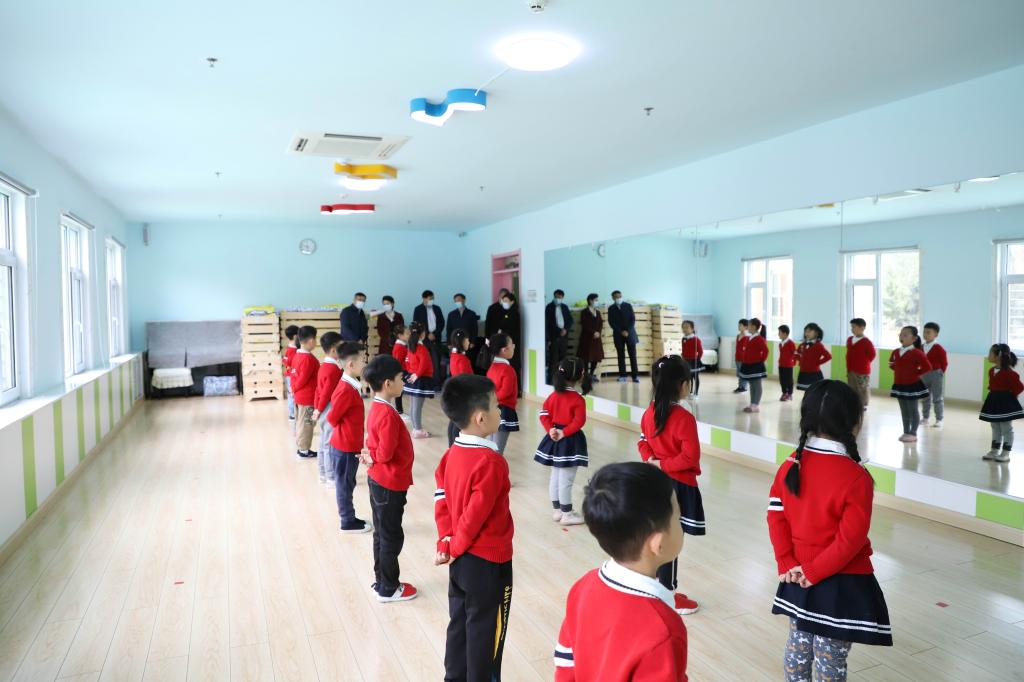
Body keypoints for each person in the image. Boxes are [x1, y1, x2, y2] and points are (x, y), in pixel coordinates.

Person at [767, 380, 893, 682]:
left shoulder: (790, 465)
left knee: (798, 645)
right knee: (830, 657)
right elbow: (851, 540)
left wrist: (786, 562)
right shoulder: (856, 477)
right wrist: (813, 571)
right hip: (838, 583)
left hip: (797, 576)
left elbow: (775, 516)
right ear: (854, 422)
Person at [554, 463, 688, 681]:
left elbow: (566, 661)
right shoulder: (664, 630)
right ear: (658, 544)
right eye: (679, 518)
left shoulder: (583, 586)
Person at [434, 374, 514, 682]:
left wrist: (446, 542)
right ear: (481, 418)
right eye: (496, 405)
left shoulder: (450, 454)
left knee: (459, 622)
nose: (500, 410)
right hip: (488, 563)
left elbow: (442, 502)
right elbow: (474, 515)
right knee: (487, 632)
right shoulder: (491, 462)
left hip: (460, 561)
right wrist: (455, 547)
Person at [638, 355, 702, 616]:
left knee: (659, 538)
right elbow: (690, 457)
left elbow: (642, 442)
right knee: (672, 541)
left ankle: (658, 588)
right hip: (679, 485)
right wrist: (663, 464)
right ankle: (668, 594)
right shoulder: (684, 418)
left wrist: (652, 461)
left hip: (657, 483)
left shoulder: (649, 412)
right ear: (683, 385)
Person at [361, 354, 418, 602]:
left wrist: (370, 455)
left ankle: (382, 581)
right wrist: (372, 456)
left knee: (381, 533)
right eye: (400, 378)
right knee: (391, 536)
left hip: (379, 480)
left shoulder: (377, 407)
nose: (403, 382)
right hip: (389, 483)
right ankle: (389, 588)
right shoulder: (387, 414)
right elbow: (384, 453)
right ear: (387, 383)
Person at [535, 357, 592, 525]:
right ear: (581, 375)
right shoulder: (578, 399)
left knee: (555, 476)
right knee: (566, 480)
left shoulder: (553, 396)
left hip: (554, 439)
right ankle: (567, 514)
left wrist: (551, 430)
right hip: (570, 441)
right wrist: (564, 432)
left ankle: (558, 511)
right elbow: (579, 421)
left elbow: (543, 414)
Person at [326, 342, 370, 533]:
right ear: (351, 364)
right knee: (344, 485)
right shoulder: (345, 389)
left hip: (349, 445)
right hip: (344, 447)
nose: (365, 363)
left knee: (348, 482)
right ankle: (347, 521)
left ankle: (349, 516)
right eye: (363, 360)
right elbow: (332, 418)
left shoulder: (351, 385)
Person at [980, 343, 1023, 462]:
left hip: (1005, 404)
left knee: (1006, 428)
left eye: (990, 353)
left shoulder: (1010, 373)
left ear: (998, 356)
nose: (988, 355)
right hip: (994, 401)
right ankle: (994, 450)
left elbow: (1019, 387)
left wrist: (1009, 398)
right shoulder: (991, 371)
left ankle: (1005, 453)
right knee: (995, 426)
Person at [888, 326, 931, 443]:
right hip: (899, 385)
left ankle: (913, 433)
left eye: (905, 335)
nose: (902, 336)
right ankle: (906, 431)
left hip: (912, 385)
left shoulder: (917, 353)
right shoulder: (896, 352)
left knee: (913, 410)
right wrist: (899, 371)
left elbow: (927, 367)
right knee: (904, 410)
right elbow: (891, 364)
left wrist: (915, 374)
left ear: (914, 338)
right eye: (901, 334)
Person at [312, 332, 343, 485]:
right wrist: (319, 409)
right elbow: (326, 393)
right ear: (333, 350)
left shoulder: (324, 366)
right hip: (329, 407)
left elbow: (318, 391)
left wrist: (317, 408)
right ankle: (331, 476)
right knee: (329, 443)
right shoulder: (333, 370)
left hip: (323, 407)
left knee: (324, 441)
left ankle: (323, 473)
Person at [482, 332, 519, 455]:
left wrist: (490, 402)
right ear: (504, 350)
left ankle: (489, 463)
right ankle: (493, 466)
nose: (514, 346)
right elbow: (506, 392)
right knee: (498, 449)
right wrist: (495, 401)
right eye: (511, 344)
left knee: (492, 445)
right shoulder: (508, 370)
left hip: (492, 408)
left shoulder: (492, 367)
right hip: (503, 411)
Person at [290, 326, 320, 459]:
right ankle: (303, 450)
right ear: (311, 340)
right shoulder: (308, 358)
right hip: (307, 398)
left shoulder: (297, 355)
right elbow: (303, 379)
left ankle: (302, 448)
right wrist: (295, 388)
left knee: (301, 423)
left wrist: (293, 389)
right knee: (307, 425)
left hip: (299, 397)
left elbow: (294, 375)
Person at [402, 321, 436, 439]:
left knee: (413, 405)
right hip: (420, 380)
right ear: (423, 334)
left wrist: (411, 372)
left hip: (413, 378)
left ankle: (415, 428)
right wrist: (417, 374)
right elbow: (424, 363)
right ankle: (417, 430)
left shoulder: (411, 347)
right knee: (417, 406)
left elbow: (406, 361)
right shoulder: (421, 348)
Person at [447, 329, 474, 446]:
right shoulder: (462, 359)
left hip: (456, 393)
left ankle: (451, 447)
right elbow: (466, 379)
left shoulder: (454, 355)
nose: (469, 342)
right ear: (462, 341)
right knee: (459, 424)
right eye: (467, 340)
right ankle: (455, 447)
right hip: (462, 395)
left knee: (454, 421)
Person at [607, 290, 639, 383]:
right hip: (618, 335)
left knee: (632, 355)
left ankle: (635, 376)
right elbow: (611, 322)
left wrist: (627, 331)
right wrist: (621, 331)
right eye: (616, 297)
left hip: (630, 334)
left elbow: (632, 319)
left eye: (620, 296)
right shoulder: (611, 308)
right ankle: (623, 375)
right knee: (621, 356)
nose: (618, 298)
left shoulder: (628, 306)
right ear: (613, 298)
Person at [413, 290, 446, 381]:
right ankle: (426, 382)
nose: (432, 300)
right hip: (424, 340)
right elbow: (416, 324)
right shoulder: (418, 309)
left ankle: (436, 383)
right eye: (430, 298)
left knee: (436, 362)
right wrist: (427, 334)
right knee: (424, 362)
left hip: (436, 339)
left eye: (432, 298)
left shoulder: (437, 308)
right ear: (424, 299)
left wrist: (434, 333)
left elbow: (441, 322)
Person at [921, 322, 948, 428]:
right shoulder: (920, 347)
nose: (925, 334)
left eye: (928, 332)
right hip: (923, 375)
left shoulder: (939, 348)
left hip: (936, 375)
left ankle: (939, 419)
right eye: (924, 332)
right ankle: (925, 418)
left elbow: (944, 363)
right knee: (925, 397)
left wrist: (940, 372)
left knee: (937, 398)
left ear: (935, 334)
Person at [845, 318, 875, 410]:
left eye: (854, 327)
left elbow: (872, 355)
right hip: (851, 369)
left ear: (862, 328)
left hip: (862, 371)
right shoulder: (850, 339)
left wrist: (863, 363)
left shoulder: (867, 342)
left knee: (862, 388)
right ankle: (854, 404)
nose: (852, 329)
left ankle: (862, 405)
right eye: (851, 327)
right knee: (852, 387)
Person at [740, 318, 769, 413]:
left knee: (757, 385)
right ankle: (752, 403)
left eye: (748, 325)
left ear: (754, 327)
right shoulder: (750, 338)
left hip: (756, 366)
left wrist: (760, 361)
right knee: (752, 385)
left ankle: (756, 405)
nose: (747, 327)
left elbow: (766, 351)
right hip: (748, 365)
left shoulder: (759, 339)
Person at [545, 289, 574, 384]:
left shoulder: (565, 307)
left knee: (563, 359)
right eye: (556, 297)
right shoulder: (549, 307)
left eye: (560, 297)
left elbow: (570, 320)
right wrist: (557, 332)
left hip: (564, 337)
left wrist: (565, 329)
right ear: (554, 297)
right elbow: (548, 324)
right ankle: (551, 380)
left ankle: (561, 379)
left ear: (562, 298)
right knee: (553, 360)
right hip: (554, 337)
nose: (558, 299)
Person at [796, 323, 831, 391]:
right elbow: (797, 354)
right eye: (806, 331)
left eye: (809, 331)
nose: (807, 333)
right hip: (803, 372)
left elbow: (828, 356)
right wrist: (801, 360)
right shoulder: (802, 345)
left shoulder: (819, 345)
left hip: (814, 373)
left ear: (816, 333)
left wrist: (817, 363)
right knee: (805, 390)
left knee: (815, 391)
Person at [578, 293, 605, 380]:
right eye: (596, 300)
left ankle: (591, 374)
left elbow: (600, 323)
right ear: (590, 300)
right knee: (586, 357)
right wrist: (593, 332)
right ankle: (586, 375)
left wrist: (598, 332)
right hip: (587, 338)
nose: (597, 302)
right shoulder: (584, 312)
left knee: (596, 357)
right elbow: (584, 324)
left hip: (596, 338)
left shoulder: (598, 312)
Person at [390, 324, 410, 420]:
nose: (409, 335)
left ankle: (399, 411)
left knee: (400, 392)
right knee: (399, 392)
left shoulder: (402, 345)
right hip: (401, 372)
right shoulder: (399, 347)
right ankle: (399, 412)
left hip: (403, 371)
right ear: (400, 335)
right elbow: (397, 362)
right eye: (407, 333)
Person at [681, 320, 703, 401]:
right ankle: (690, 392)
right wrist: (683, 356)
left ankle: (696, 393)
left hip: (694, 361)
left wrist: (697, 360)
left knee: (695, 377)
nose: (685, 329)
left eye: (687, 327)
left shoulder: (696, 339)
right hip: (686, 361)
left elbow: (700, 351)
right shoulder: (684, 339)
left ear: (692, 329)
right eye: (683, 327)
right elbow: (684, 349)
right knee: (688, 377)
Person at [283, 324, 300, 422]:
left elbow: (285, 361)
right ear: (295, 336)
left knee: (291, 394)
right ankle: (292, 414)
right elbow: (289, 363)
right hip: (291, 376)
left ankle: (293, 414)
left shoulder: (289, 348)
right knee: (292, 395)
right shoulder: (293, 350)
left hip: (290, 375)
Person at [778, 325, 797, 401]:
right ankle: (784, 393)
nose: (778, 334)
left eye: (779, 332)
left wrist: (793, 363)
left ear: (785, 333)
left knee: (789, 380)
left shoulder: (791, 343)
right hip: (781, 365)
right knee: (782, 380)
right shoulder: (780, 344)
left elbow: (794, 354)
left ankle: (789, 394)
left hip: (788, 365)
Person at [733, 319, 750, 393]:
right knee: (739, 373)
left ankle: (743, 387)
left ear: (746, 327)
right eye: (738, 325)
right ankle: (740, 386)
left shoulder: (747, 337)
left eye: (740, 325)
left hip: (744, 358)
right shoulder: (738, 336)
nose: (738, 327)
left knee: (743, 373)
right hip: (737, 357)